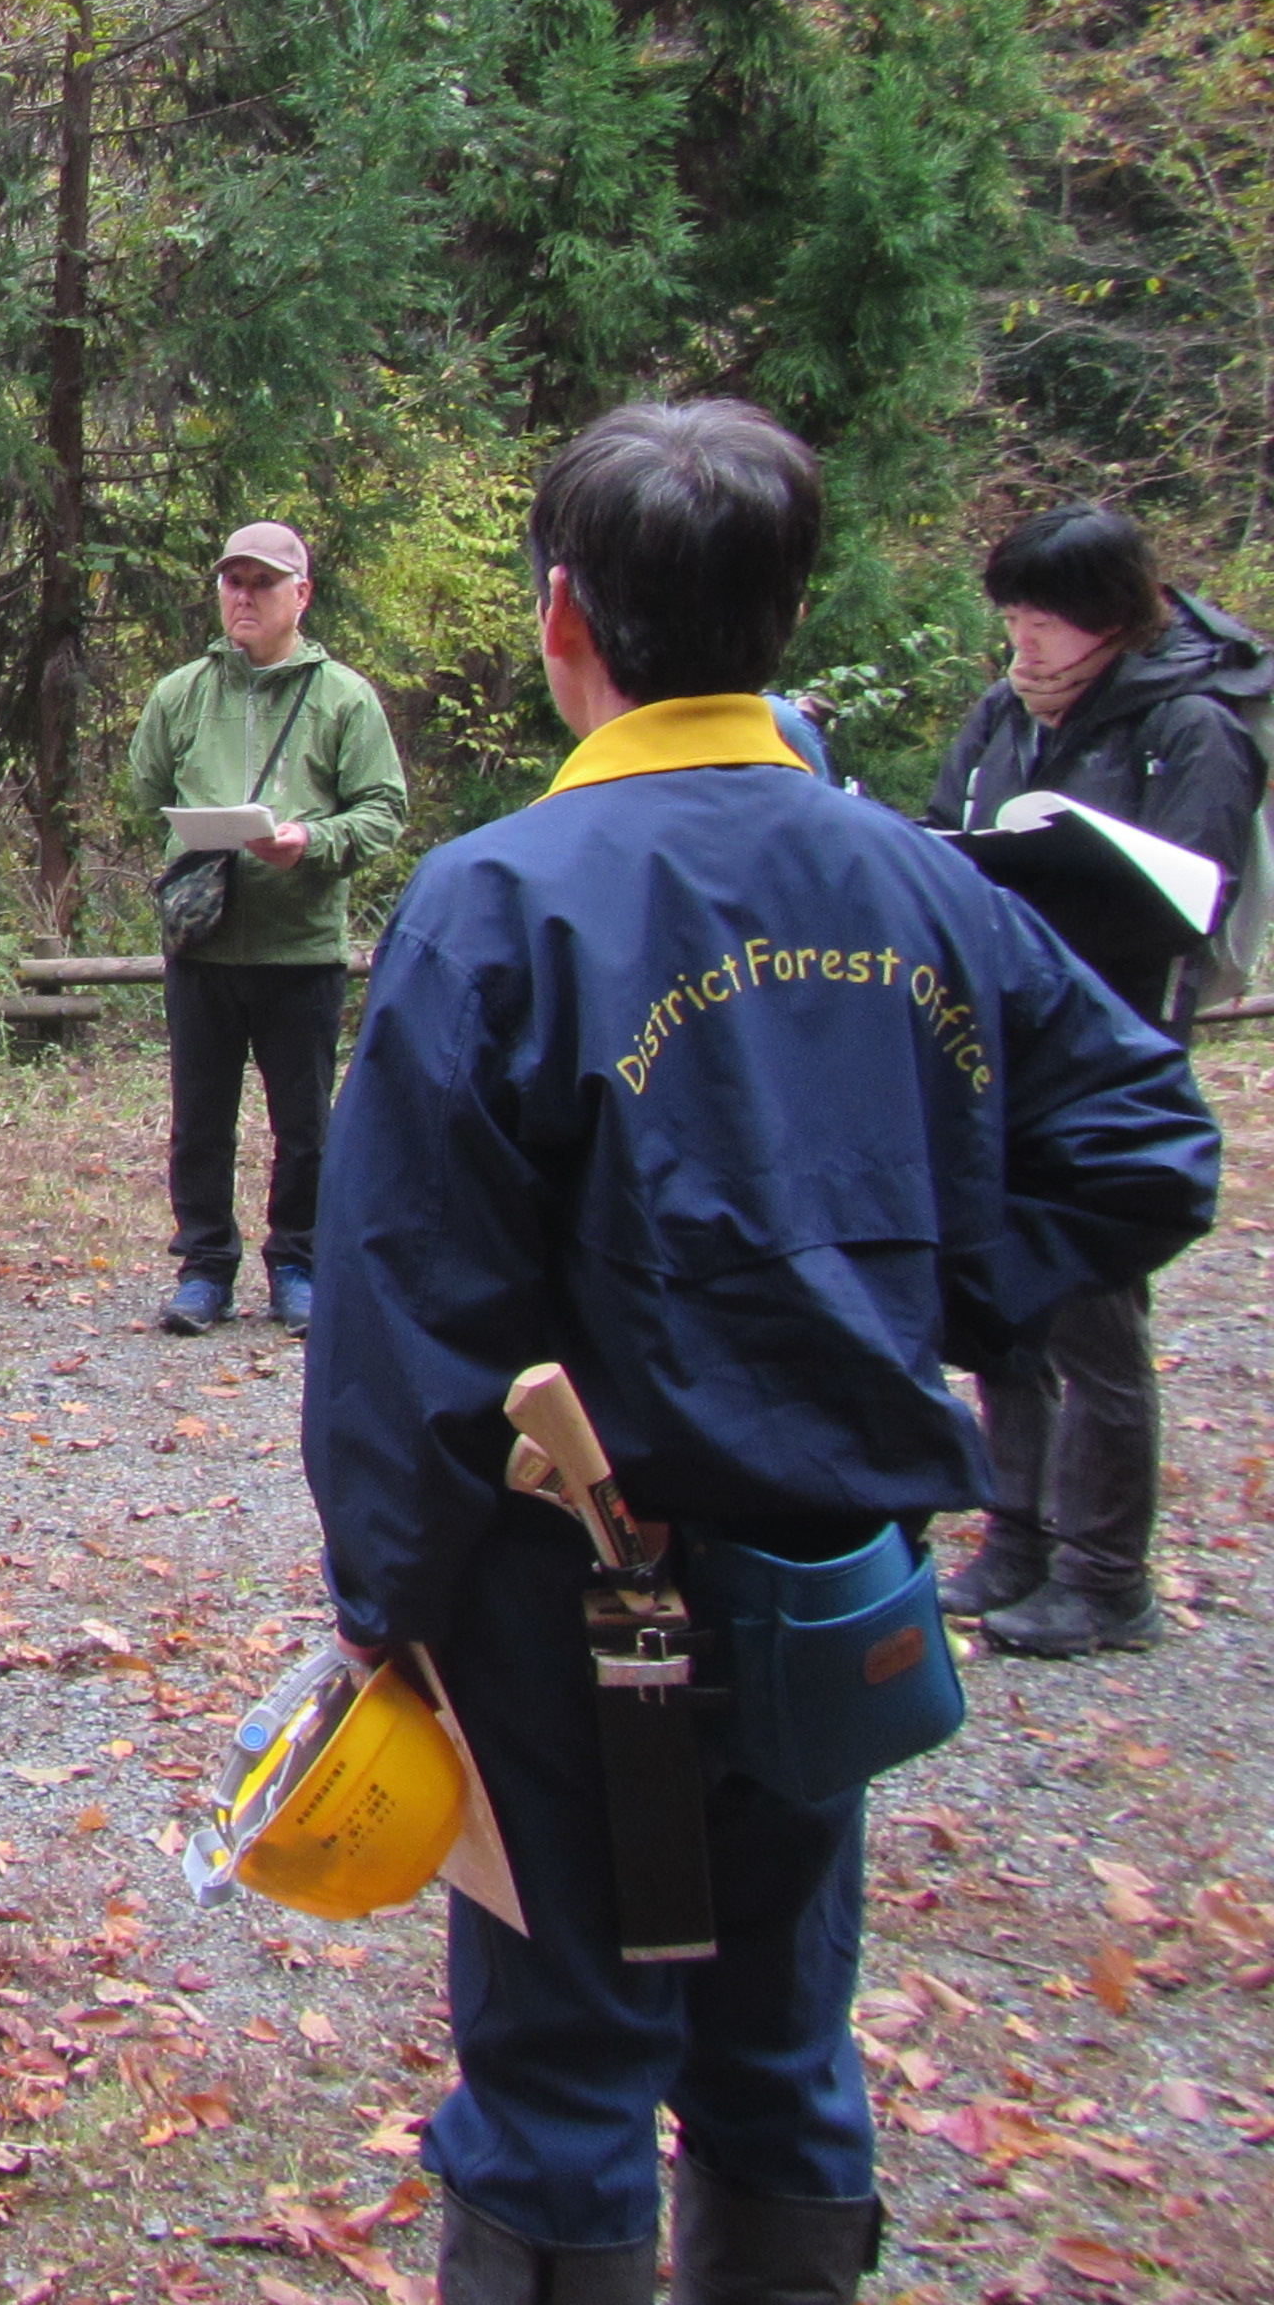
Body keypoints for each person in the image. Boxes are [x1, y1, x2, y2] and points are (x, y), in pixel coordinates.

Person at [304, 404, 1216, 2305]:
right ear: (789, 616)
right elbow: (1140, 1138)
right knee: (779, 2045)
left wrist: (385, 1599)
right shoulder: (914, 882)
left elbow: (409, 1304)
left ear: (562, 613)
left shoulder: (501, 900)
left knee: (561, 2066)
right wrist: (925, 1295)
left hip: (572, 1594)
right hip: (835, 1575)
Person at [925, 503, 1267, 1655]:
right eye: (1012, 617)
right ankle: (1014, 1538)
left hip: (1108, 1049)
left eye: (1046, 619)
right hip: (995, 1042)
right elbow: (942, 832)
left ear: (1114, 617)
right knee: (1006, 1301)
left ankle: (1107, 1574)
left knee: (1094, 1314)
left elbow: (1189, 893)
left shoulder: (1189, 724)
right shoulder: (1000, 715)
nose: (1024, 642)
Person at [121, 521, 409, 1336]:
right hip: (203, 947)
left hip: (301, 948)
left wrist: (310, 843)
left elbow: (384, 811)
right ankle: (205, 1267)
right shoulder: (182, 693)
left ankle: (299, 1265)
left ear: (301, 596)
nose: (243, 596)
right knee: (199, 1117)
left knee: (304, 1123)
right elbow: (144, 790)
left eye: (263, 582)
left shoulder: (344, 698)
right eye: (232, 581)